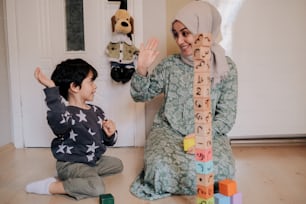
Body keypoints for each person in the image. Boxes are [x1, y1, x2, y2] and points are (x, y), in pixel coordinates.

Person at [129, 0, 237, 200]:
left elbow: (227, 115)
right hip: (169, 131)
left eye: (185, 33)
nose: (179, 40)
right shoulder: (169, 65)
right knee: (159, 168)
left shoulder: (226, 68)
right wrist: (142, 69)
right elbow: (140, 96)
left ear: (203, 30)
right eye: (176, 34)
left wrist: (203, 137)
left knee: (224, 169)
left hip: (208, 134)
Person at [26, 58, 123, 200]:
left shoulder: (97, 111)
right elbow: (57, 119)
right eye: (90, 82)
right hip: (71, 163)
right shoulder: (65, 114)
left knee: (118, 165)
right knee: (97, 187)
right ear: (75, 87)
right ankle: (52, 186)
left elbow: (108, 141)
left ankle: (85, 175)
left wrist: (111, 133)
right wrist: (51, 89)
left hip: (92, 160)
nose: (95, 87)